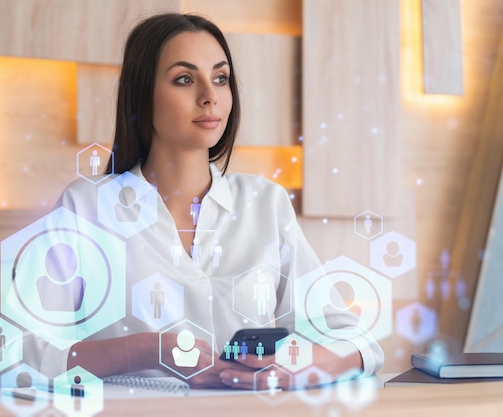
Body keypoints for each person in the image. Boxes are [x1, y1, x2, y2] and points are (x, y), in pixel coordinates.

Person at [30, 12, 383, 390]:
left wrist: (315, 365)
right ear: (141, 94)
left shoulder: (265, 204)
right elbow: (23, 352)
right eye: (184, 79)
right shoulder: (85, 208)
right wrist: (148, 350)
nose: (209, 96)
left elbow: (358, 344)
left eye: (220, 78)